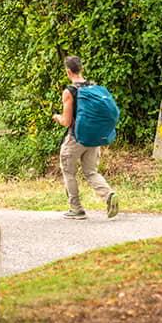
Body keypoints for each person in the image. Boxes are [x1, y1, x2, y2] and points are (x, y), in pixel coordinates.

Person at [52, 55, 119, 220]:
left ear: (68, 71)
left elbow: (67, 121)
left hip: (75, 138)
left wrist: (57, 117)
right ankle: (109, 195)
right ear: (81, 68)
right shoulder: (93, 87)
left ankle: (76, 209)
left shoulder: (70, 91)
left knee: (69, 172)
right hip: (93, 138)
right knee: (90, 171)